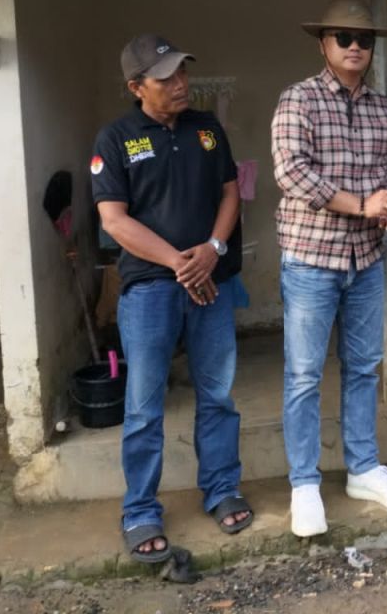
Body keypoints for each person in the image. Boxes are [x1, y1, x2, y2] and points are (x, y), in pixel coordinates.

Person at [91, 34, 252, 565]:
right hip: (153, 290)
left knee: (217, 393)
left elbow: (230, 191)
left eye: (182, 73)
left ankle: (222, 487)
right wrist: (181, 262)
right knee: (143, 404)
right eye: (166, 78)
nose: (181, 84)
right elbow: (114, 219)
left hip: (214, 280)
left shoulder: (206, 128)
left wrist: (214, 248)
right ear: (137, 87)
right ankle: (140, 509)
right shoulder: (116, 139)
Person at [271, 0, 387, 538]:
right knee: (304, 374)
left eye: (364, 39)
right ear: (323, 44)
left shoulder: (383, 110)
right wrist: (361, 204)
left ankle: (360, 468)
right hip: (312, 258)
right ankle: (304, 484)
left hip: (366, 259)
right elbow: (292, 173)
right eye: (343, 37)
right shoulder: (299, 100)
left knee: (364, 368)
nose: (355, 46)